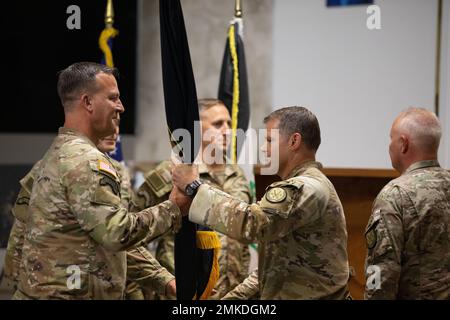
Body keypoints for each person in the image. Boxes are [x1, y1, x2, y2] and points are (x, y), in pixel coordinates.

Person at [13, 62, 187, 299]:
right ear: (88, 102)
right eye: (113, 98)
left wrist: (164, 281)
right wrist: (174, 207)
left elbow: (103, 238)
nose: (121, 107)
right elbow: (117, 234)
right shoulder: (85, 161)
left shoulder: (57, 154)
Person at [171, 106, 350, 299]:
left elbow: (254, 224)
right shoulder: (301, 185)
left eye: (269, 140)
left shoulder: (306, 187)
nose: (263, 148)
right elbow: (274, 267)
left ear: (294, 141)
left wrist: (194, 188)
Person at [3, 130, 176, 299]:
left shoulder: (112, 172)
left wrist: (163, 280)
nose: (113, 132)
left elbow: (114, 235)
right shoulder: (55, 167)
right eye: (107, 123)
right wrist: (11, 284)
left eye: (117, 125)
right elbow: (21, 230)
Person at [132, 99, 251, 299]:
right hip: (182, 292)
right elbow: (132, 230)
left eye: (229, 124)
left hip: (231, 294)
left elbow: (242, 236)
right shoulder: (172, 173)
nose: (227, 130)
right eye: (217, 124)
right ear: (197, 128)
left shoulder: (237, 174)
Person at [364, 107, 450, 300]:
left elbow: (381, 269)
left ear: (403, 144)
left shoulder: (395, 195)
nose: (389, 146)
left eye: (391, 139)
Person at [96, 129, 176, 300]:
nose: (115, 131)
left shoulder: (119, 172)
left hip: (119, 284)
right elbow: (127, 233)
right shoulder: (63, 166)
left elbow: (127, 237)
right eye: (217, 124)